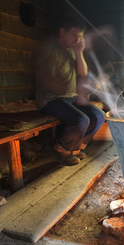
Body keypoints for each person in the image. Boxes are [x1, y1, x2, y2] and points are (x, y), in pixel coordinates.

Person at [35, 16, 105, 165]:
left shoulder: (73, 50)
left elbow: (82, 72)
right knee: (81, 119)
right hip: (50, 99)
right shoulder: (49, 49)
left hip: (70, 97)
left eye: (80, 36)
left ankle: (75, 149)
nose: (77, 39)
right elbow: (50, 81)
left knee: (99, 115)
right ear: (62, 32)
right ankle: (61, 149)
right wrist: (79, 95)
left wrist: (79, 52)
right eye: (74, 35)